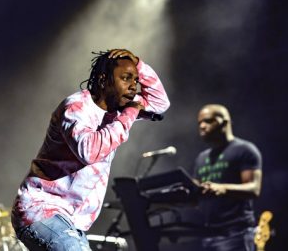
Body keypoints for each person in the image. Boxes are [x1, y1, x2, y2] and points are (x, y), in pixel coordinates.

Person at [11, 49, 170, 251]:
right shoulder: (77, 107)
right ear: (104, 81)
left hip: (69, 219)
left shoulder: (118, 110)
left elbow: (160, 103)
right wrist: (131, 111)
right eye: (125, 78)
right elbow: (89, 150)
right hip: (40, 210)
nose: (133, 86)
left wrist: (138, 63)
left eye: (136, 80)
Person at [193, 104, 262, 251]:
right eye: (200, 123)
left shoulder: (244, 150)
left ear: (225, 122)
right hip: (208, 235)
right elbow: (197, 197)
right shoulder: (201, 157)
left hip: (237, 233)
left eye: (208, 121)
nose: (202, 126)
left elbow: (254, 188)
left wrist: (223, 188)